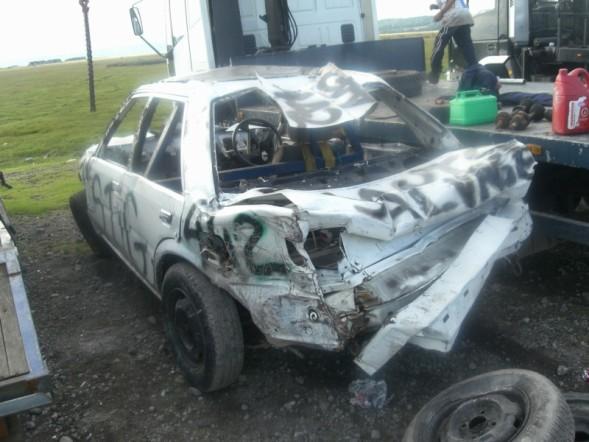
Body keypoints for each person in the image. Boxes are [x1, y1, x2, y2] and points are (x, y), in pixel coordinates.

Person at [429, 0, 477, 84]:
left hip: (453, 16)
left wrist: (440, 13)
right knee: (467, 48)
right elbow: (448, 3)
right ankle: (477, 73)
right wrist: (436, 7)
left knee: (439, 45)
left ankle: (435, 72)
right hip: (465, 16)